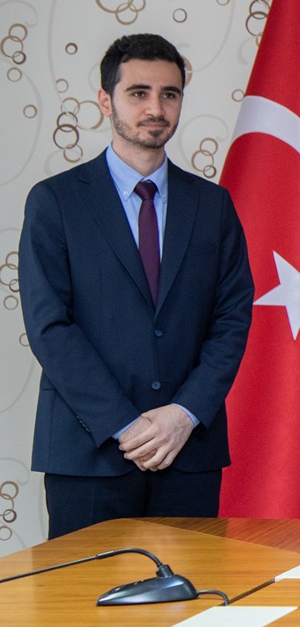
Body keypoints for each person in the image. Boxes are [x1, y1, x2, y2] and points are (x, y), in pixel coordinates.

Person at [20, 33, 255, 539]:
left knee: (193, 592)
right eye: (138, 93)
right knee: (84, 592)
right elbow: (49, 327)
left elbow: (232, 318)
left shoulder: (213, 205)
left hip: (187, 452)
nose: (155, 108)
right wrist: (125, 425)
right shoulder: (55, 202)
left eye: (169, 94)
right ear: (106, 101)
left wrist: (183, 415)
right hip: (89, 454)